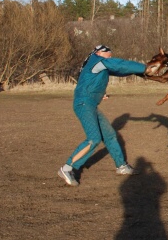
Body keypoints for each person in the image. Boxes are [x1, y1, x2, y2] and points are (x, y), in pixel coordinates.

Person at [58, 45, 147, 186]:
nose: (110, 57)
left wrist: (139, 73)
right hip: (84, 104)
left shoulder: (97, 64)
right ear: (99, 52)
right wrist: (145, 68)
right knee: (94, 138)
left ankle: (121, 166)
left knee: (109, 135)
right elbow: (120, 65)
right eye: (109, 55)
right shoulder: (98, 61)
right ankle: (67, 168)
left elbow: (119, 70)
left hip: (90, 104)